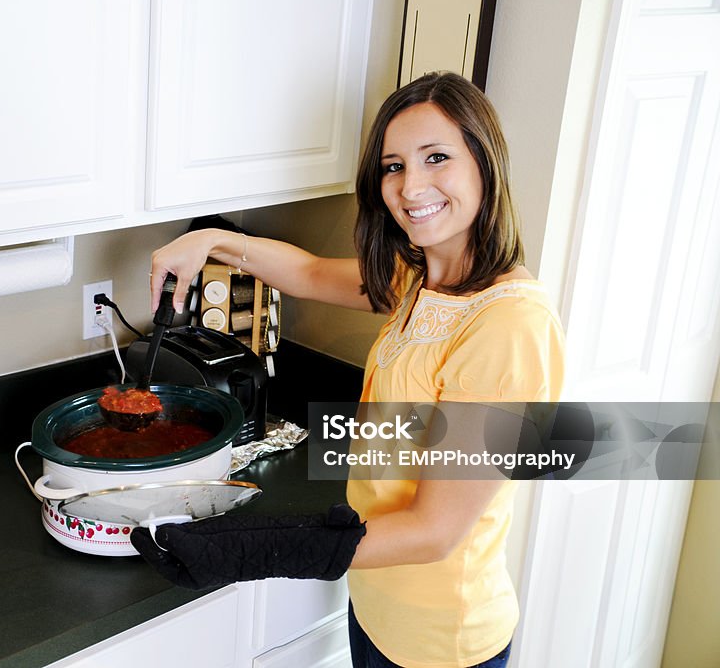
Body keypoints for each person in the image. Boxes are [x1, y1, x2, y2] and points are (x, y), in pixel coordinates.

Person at [131, 72, 565, 668]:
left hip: (442, 644)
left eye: (437, 158)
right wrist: (207, 241)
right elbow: (309, 272)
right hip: (377, 607)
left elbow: (434, 531)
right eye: (393, 166)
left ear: (485, 163)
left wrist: (253, 550)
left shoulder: (510, 326)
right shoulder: (422, 279)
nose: (412, 187)